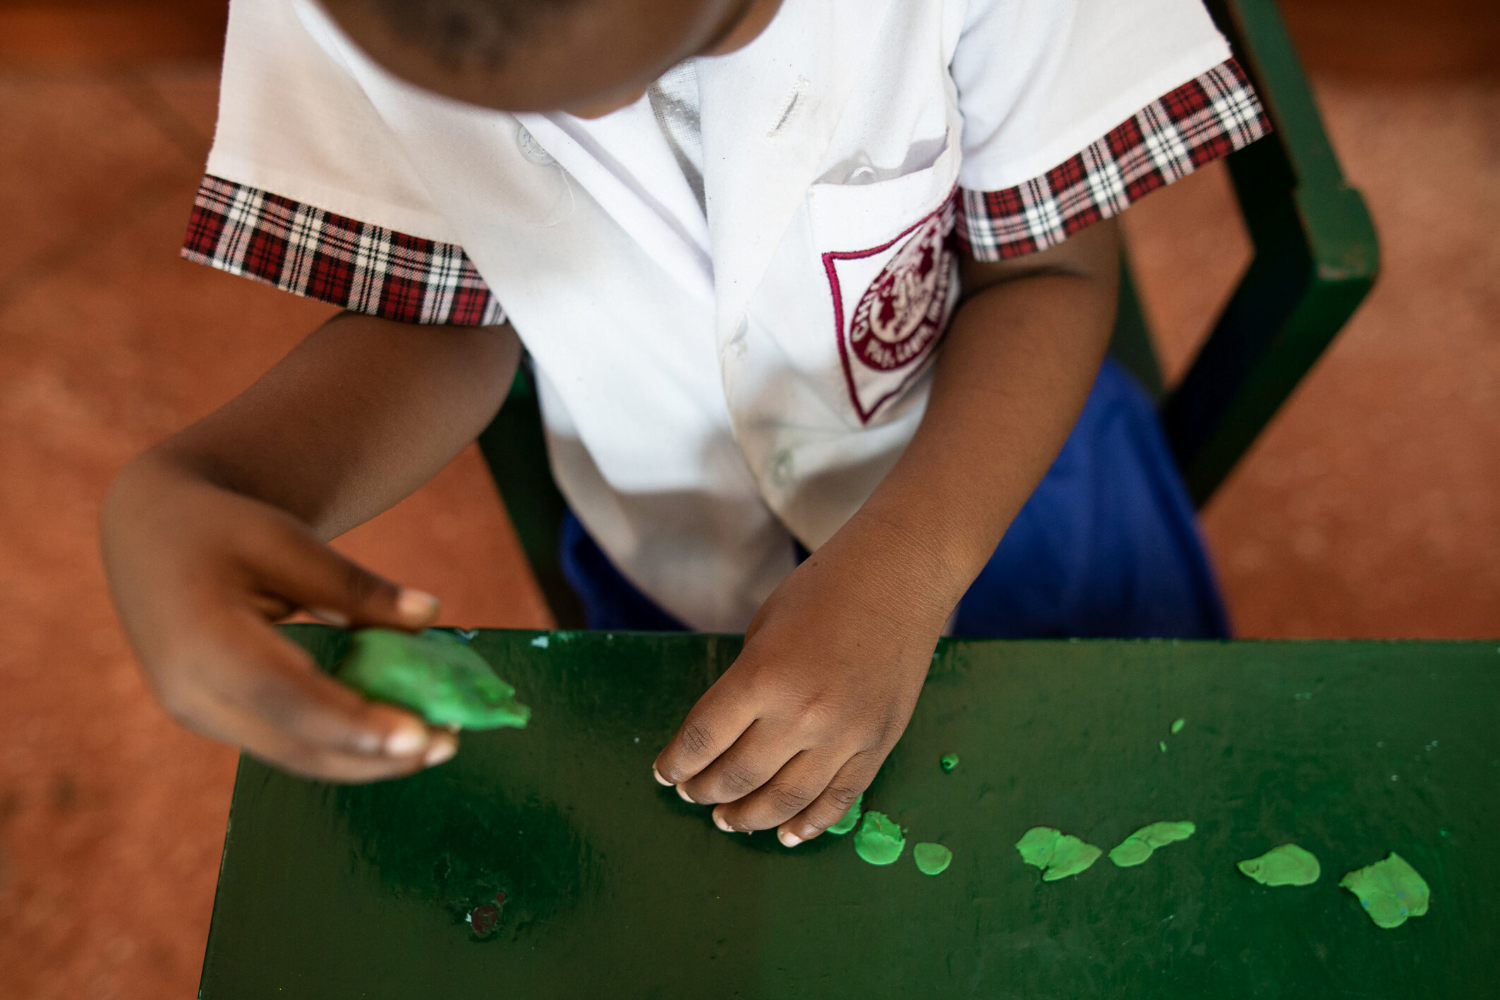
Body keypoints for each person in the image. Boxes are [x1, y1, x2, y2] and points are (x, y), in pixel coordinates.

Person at [100, 0, 1267, 847]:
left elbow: (1047, 282)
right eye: (495, 116)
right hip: (672, 558)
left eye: (709, 35)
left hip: (1014, 495)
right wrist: (210, 483)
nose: (576, 126)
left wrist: (908, 568)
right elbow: (452, 313)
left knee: (1140, 824)